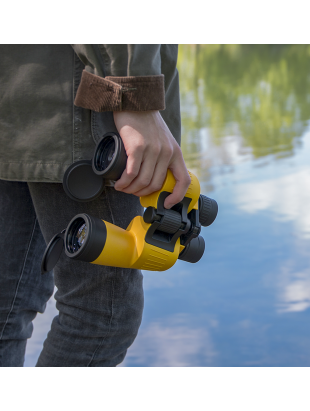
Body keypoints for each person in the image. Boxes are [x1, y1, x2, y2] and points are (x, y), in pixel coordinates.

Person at [0, 45, 190, 366]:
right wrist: (131, 93)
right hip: (79, 101)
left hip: (17, 96)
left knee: (6, 306)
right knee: (102, 313)